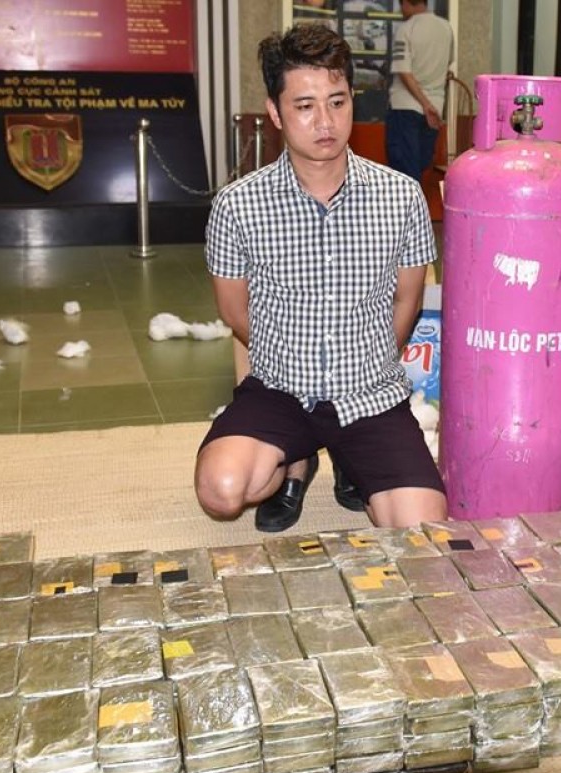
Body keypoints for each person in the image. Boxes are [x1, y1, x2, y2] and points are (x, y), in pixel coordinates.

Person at [196, 24, 447, 533]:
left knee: (422, 533)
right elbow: (234, 311)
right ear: (275, 111)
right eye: (305, 106)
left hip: (371, 396)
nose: (325, 122)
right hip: (280, 391)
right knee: (223, 491)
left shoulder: (401, 197)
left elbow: (407, 302)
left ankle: (352, 457)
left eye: (337, 102)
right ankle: (298, 458)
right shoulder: (237, 205)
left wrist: (366, 361)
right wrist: (292, 358)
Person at [385, 0, 454, 184]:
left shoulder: (406, 29)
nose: (401, 10)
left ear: (407, 3)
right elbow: (448, 65)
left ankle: (408, 203)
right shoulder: (446, 28)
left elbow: (404, 72)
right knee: (421, 166)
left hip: (405, 107)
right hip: (435, 108)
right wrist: (431, 105)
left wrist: (425, 104)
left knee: (403, 172)